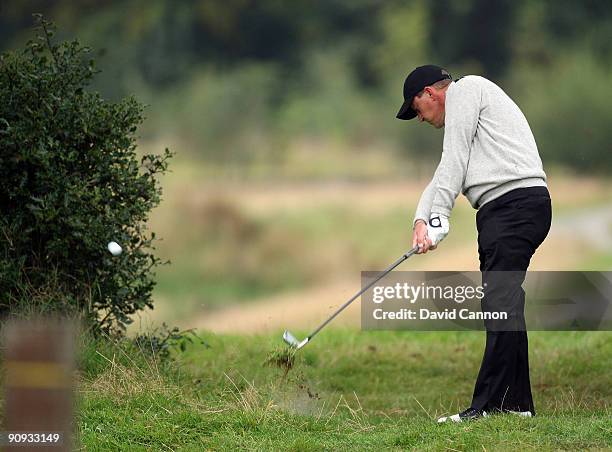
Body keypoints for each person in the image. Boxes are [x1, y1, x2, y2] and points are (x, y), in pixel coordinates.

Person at [396, 65, 552, 422]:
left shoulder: (467, 90)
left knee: (499, 304)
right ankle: (516, 405)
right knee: (505, 305)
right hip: (508, 210)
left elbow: (453, 160)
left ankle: (487, 408)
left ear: (430, 93)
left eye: (416, 109)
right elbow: (447, 169)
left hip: (514, 206)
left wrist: (440, 217)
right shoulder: (465, 116)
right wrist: (422, 219)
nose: (419, 118)